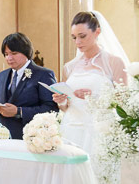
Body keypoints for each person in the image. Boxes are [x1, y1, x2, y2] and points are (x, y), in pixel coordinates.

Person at [52, 11, 128, 156]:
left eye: (82, 36)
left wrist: (95, 97)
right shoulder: (69, 67)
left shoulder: (114, 62)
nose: (78, 42)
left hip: (98, 129)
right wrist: (61, 101)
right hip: (71, 127)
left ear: (97, 32)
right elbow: (66, 107)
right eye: (74, 37)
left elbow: (123, 101)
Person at [0, 33, 57, 139]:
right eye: (6, 54)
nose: (9, 58)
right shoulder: (1, 76)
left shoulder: (43, 74)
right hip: (2, 137)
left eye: (14, 53)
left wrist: (19, 111)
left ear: (26, 52)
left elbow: (51, 109)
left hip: (31, 138)